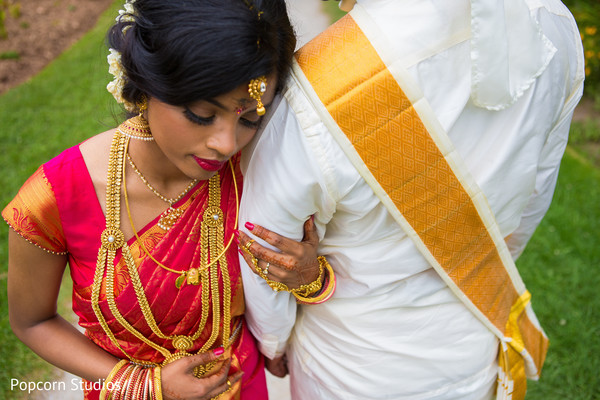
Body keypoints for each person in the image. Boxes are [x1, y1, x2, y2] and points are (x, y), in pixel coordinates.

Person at [237, 0, 585, 399]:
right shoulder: (553, 23)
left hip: (349, 367)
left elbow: (265, 247)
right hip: (472, 347)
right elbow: (534, 197)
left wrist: (273, 343)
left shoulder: (324, 79)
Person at [2, 0, 321, 399]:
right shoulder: (56, 196)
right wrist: (146, 385)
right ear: (145, 84)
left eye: (249, 119)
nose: (224, 143)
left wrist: (309, 277)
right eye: (202, 115)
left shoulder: (260, 168)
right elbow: (32, 322)